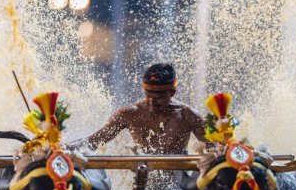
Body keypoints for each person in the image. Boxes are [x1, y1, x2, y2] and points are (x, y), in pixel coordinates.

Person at [67, 63, 215, 154]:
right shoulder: (128, 114)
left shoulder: (188, 116)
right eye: (148, 95)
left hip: (177, 186)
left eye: (159, 97)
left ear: (172, 93)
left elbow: (214, 149)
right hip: (141, 182)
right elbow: (94, 141)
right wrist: (61, 149)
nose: (152, 101)